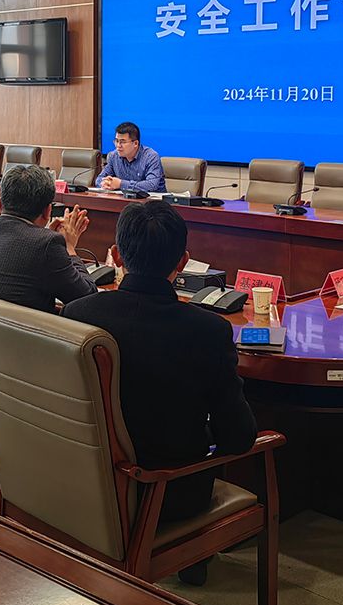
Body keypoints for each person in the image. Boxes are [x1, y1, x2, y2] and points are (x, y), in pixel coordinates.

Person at [63, 200, 257, 526]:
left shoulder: (77, 313)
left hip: (86, 483)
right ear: (183, 261)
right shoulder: (208, 331)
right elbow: (239, 438)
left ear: (117, 255)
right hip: (166, 494)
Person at [0, 164, 97, 384]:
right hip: (4, 376)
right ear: (47, 211)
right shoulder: (46, 244)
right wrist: (70, 248)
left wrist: (48, 238)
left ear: (0, 204)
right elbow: (87, 298)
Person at [96, 121, 165, 192]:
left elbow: (151, 185)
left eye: (123, 142)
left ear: (135, 143)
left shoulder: (151, 157)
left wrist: (121, 184)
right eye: (116, 141)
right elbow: (99, 179)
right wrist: (105, 183)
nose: (118, 145)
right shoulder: (113, 156)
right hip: (123, 197)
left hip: (152, 198)